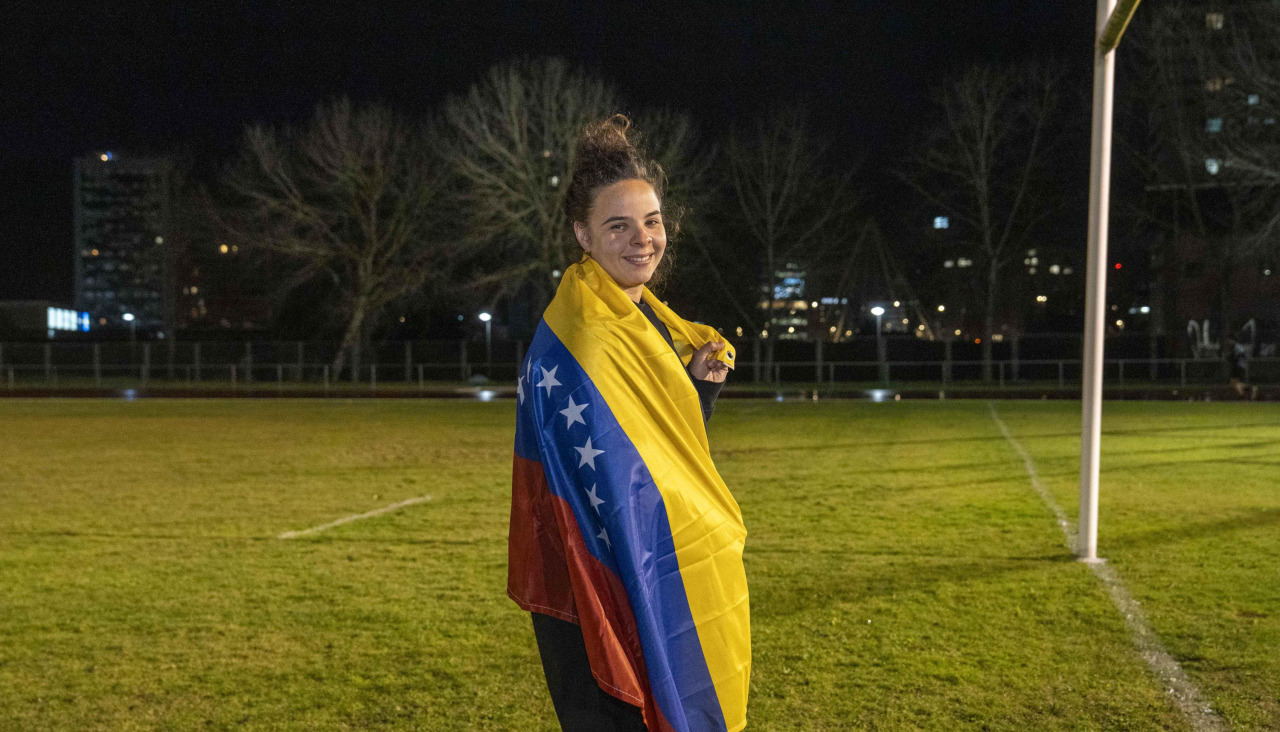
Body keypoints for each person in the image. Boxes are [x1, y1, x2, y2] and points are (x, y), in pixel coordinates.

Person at [507, 115, 750, 732]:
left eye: (652, 221)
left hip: (638, 557)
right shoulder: (586, 334)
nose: (643, 239)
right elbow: (620, 481)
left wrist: (695, 388)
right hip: (599, 570)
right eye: (618, 225)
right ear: (583, 235)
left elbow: (657, 450)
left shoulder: (642, 325)